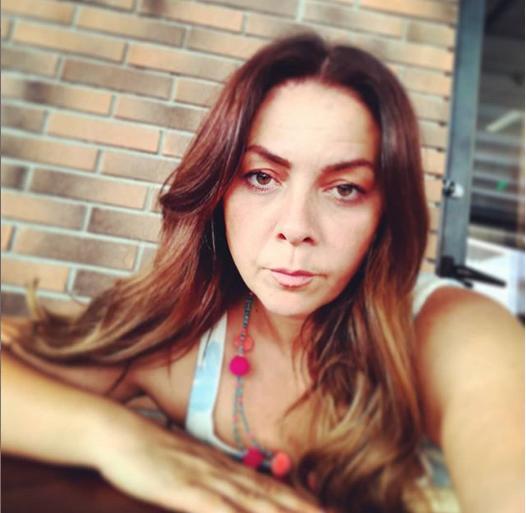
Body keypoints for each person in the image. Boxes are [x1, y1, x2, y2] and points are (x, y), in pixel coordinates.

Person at [1, 32, 523, 513]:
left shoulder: (452, 335)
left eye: (344, 189)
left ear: (385, 213)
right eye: (261, 177)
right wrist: (113, 436)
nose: (295, 228)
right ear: (218, 190)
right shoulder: (177, 343)